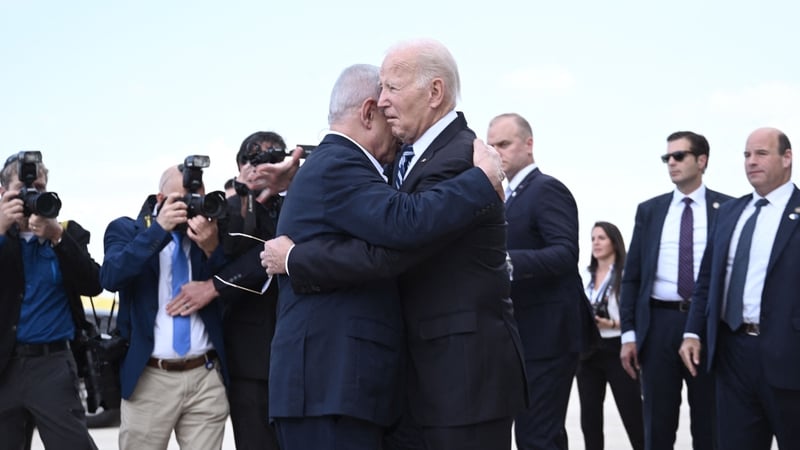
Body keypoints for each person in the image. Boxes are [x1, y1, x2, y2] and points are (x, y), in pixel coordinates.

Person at [263, 40, 528, 450]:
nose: (383, 101)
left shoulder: (462, 157)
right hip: (354, 386)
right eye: (380, 90)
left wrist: (296, 258)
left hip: (461, 380)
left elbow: (401, 238)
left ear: (434, 92)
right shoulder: (372, 163)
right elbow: (396, 231)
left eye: (392, 87)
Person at [175, 131, 300, 450]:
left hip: (302, 351)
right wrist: (243, 194)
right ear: (241, 166)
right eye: (255, 159)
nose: (264, 166)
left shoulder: (302, 200)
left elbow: (279, 248)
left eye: (273, 157)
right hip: (249, 356)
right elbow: (229, 251)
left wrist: (214, 286)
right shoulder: (228, 207)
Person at [679, 127, 800, 449]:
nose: (751, 161)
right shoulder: (731, 212)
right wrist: (692, 332)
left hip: (789, 356)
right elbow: (707, 278)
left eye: (761, 153)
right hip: (732, 354)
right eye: (747, 155)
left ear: (787, 158)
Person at [100, 164, 229, 450]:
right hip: (150, 378)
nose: (190, 206)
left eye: (196, 197)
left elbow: (231, 286)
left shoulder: (211, 231)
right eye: (183, 199)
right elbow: (110, 277)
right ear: (160, 199)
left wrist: (211, 247)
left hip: (205, 376)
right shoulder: (126, 229)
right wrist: (158, 231)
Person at [619, 131, 732, 450]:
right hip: (658, 326)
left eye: (679, 156)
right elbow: (632, 277)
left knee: (710, 424)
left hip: (708, 326)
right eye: (667, 157)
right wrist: (629, 334)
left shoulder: (728, 209)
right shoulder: (650, 211)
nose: (671, 162)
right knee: (657, 424)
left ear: (702, 160)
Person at [486, 112, 585, 450]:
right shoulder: (507, 196)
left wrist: (506, 262)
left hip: (548, 336)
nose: (497, 152)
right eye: (491, 146)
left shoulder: (546, 189)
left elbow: (565, 252)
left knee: (537, 436)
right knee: (539, 434)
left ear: (528, 144)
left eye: (504, 144)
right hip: (525, 335)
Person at [0, 152, 100, 450]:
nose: (32, 194)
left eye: (40, 188)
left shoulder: (67, 232)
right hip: (4, 366)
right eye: (23, 188)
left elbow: (93, 284)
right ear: (3, 192)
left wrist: (57, 237)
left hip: (52, 365)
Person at [577, 221, 644, 450]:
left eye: (601, 238)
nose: (596, 243)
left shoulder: (626, 275)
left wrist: (612, 323)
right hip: (589, 350)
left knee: (632, 413)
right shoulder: (586, 275)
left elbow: (637, 315)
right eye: (593, 238)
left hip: (618, 347)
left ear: (614, 242)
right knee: (590, 419)